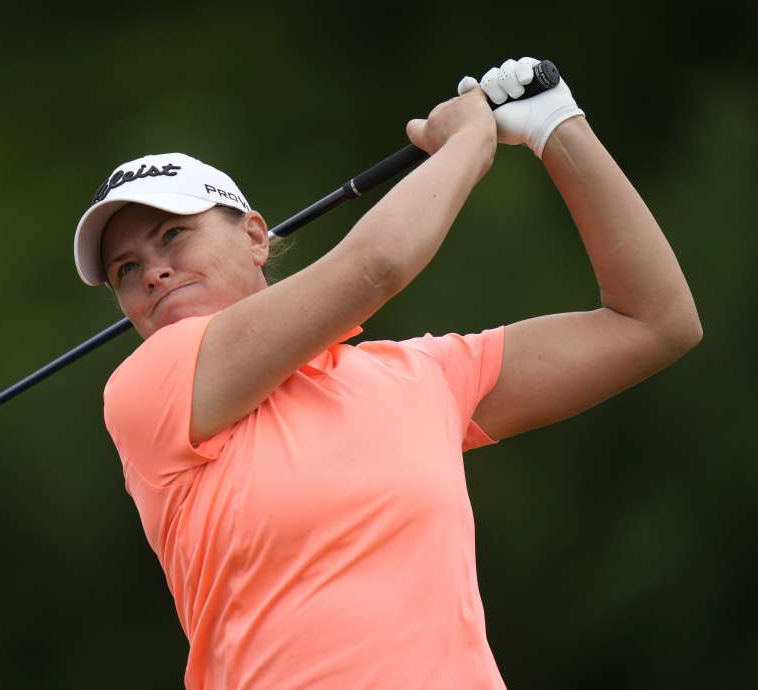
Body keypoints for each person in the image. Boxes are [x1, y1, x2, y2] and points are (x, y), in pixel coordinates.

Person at [71, 57, 701, 689]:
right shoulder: (147, 389)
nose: (151, 271)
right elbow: (376, 267)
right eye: (126, 268)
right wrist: (470, 138)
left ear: (257, 237)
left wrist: (556, 126)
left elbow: (654, 323)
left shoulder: (422, 377)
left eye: (174, 235)